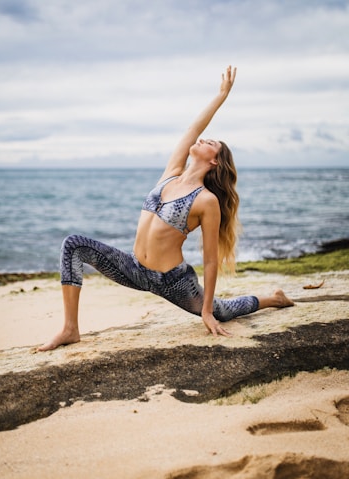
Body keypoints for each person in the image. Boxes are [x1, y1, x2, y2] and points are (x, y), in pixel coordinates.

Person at [39, 66, 293, 352]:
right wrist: (221, 96)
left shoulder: (206, 200)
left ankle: (274, 299)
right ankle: (70, 329)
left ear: (215, 162)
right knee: (73, 245)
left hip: (171, 281)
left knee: (221, 310)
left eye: (212, 143)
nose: (203, 138)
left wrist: (206, 311)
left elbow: (210, 260)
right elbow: (193, 128)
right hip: (133, 268)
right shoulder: (171, 173)